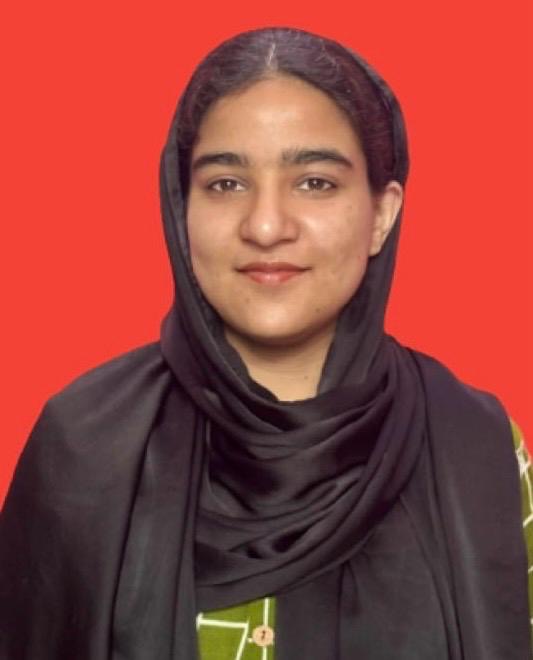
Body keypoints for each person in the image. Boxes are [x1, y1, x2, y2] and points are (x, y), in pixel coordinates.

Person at [0, 27, 531, 660]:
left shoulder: (478, 446)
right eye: (226, 183)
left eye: (315, 182)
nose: (266, 225)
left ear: (382, 215)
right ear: (180, 209)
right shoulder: (84, 445)